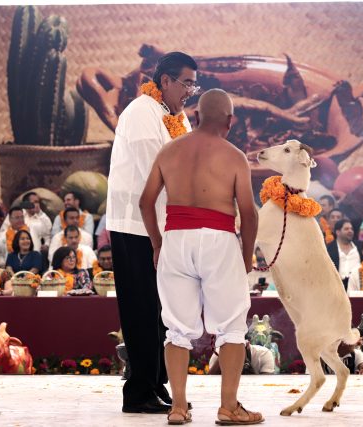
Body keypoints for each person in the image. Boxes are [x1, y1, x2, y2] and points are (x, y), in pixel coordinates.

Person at [139, 88, 262, 425]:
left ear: (195, 117)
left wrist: (157, 244)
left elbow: (145, 202)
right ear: (230, 121)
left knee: (176, 329)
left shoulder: (169, 151)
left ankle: (178, 407)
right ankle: (228, 407)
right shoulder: (235, 156)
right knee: (232, 327)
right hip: (219, 241)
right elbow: (249, 215)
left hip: (176, 239)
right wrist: (247, 256)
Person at [106, 51, 198, 414]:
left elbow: (188, 163)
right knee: (141, 308)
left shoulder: (177, 118)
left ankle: (156, 383)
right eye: (186, 82)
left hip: (162, 226)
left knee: (161, 310)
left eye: (194, 82)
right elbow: (155, 173)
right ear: (165, 82)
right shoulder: (142, 113)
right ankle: (138, 390)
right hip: (135, 226)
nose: (191, 90)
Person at [326, 219, 363, 290]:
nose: (350, 231)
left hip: (358, 287)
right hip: (337, 287)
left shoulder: (360, 246)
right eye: (346, 229)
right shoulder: (329, 248)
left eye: (351, 229)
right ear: (338, 232)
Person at [208, 342, 275, 375]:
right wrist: (221, 357)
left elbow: (266, 386)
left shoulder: (264, 354)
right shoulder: (218, 354)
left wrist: (246, 364)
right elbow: (210, 381)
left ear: (247, 345)